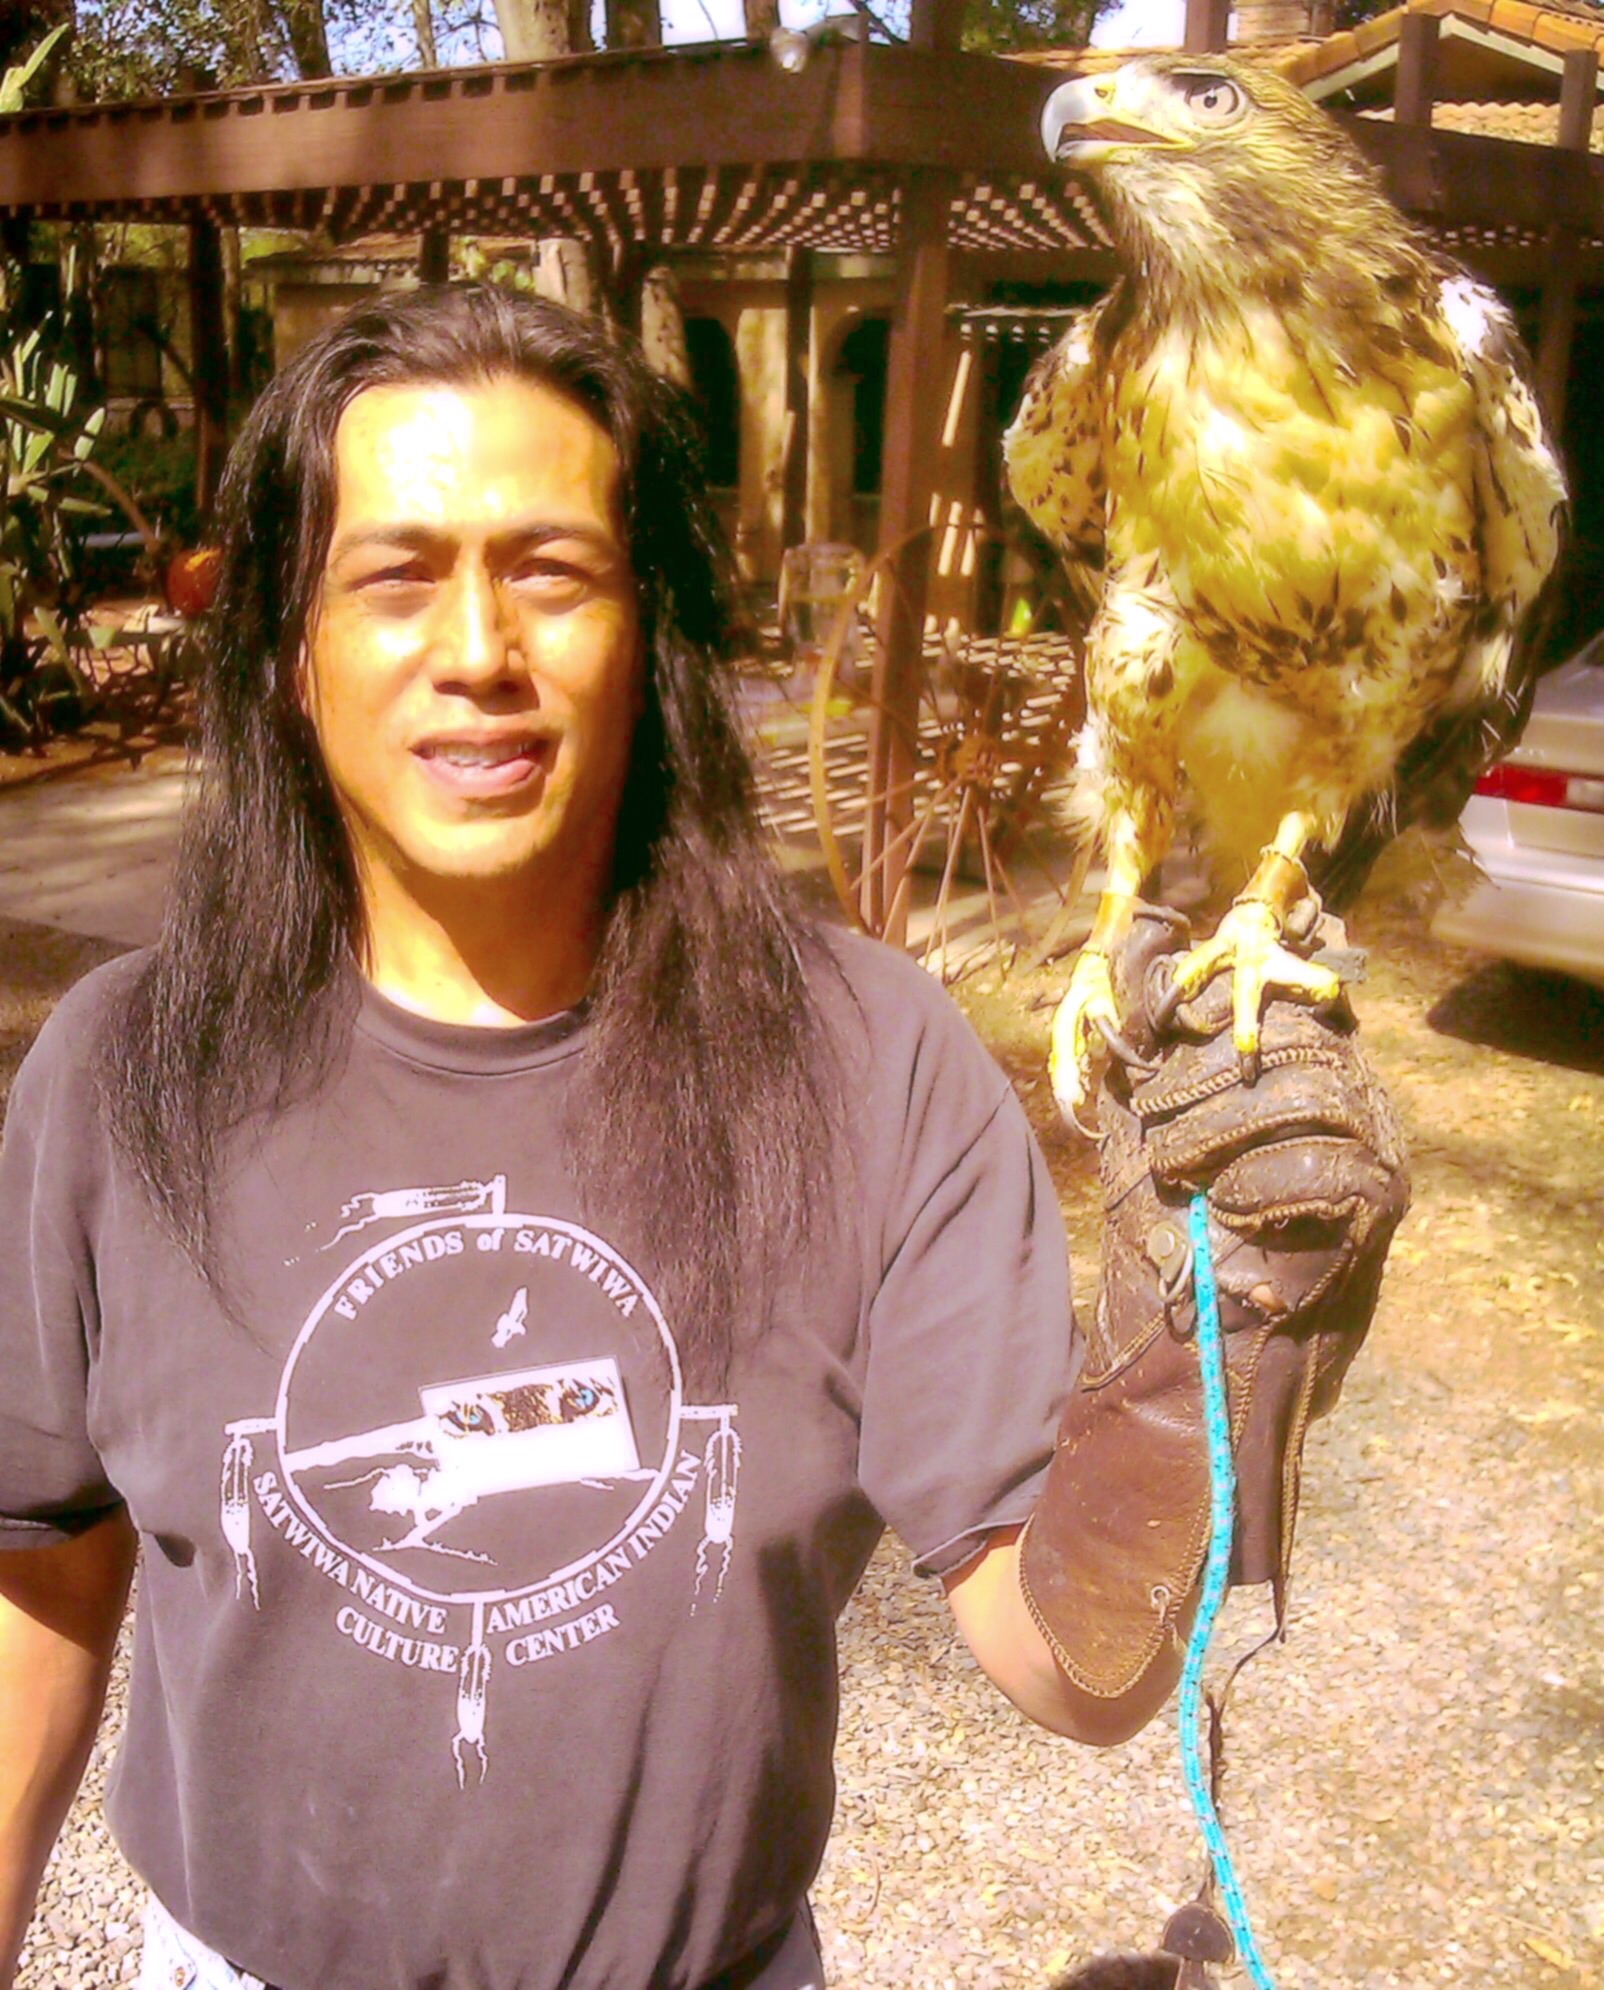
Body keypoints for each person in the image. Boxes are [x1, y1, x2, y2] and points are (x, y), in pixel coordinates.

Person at [0, 286, 1400, 1990]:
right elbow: (39, 1576)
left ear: (649, 634)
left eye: (549, 570)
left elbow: (1082, 1670)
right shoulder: (125, 1075)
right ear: (290, 653)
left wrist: (1226, 1323)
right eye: (393, 572)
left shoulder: (864, 1064)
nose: (476, 649)